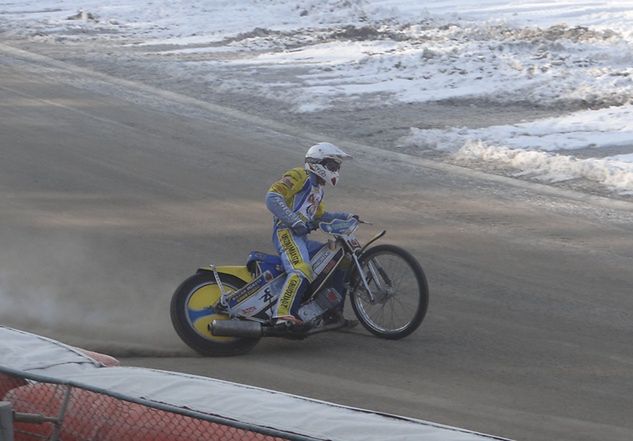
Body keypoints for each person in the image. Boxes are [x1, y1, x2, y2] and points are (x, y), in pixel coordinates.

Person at [265, 142, 354, 326]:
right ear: (317, 163)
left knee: (339, 257)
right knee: (301, 268)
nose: (335, 171)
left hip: (301, 238)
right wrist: (294, 221)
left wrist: (346, 217)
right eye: (332, 166)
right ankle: (283, 315)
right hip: (286, 233)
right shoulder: (300, 175)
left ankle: (331, 313)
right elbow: (272, 197)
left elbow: (321, 217)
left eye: (337, 167)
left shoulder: (318, 191)